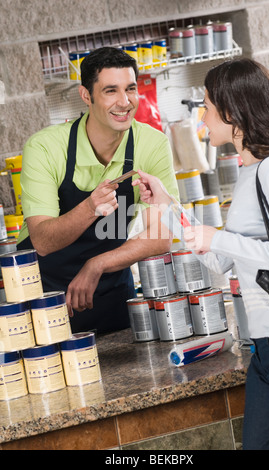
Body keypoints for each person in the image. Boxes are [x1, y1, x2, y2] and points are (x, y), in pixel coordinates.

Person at [133, 58, 269, 450]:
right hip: (266, 348)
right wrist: (168, 206)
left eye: (206, 106)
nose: (202, 118)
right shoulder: (248, 173)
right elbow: (220, 261)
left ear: (233, 112)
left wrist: (219, 238)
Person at [18, 46, 179, 334]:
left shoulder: (151, 144)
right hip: (45, 300)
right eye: (110, 91)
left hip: (112, 292)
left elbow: (163, 234)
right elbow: (41, 240)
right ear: (86, 96)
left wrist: (97, 264)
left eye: (130, 89)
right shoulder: (44, 148)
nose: (125, 101)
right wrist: (90, 208)